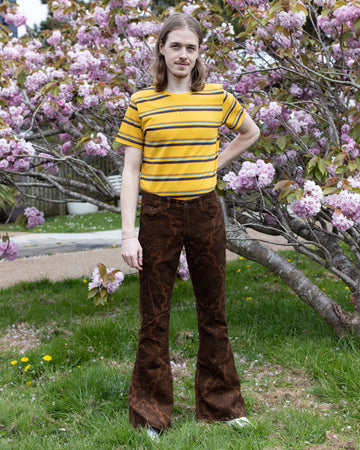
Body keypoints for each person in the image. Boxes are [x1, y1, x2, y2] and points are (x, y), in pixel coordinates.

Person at [116, 12, 260, 438]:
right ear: (161, 47)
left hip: (205, 213)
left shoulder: (216, 97)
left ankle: (222, 408)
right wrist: (128, 234)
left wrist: (212, 163)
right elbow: (129, 171)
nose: (183, 54)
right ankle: (151, 416)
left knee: (213, 314)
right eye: (175, 45)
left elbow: (249, 132)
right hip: (158, 216)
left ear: (199, 54)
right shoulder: (142, 102)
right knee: (154, 319)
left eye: (191, 47)